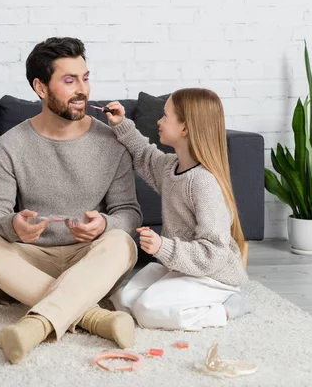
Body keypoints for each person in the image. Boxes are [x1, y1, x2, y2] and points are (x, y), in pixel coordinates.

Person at [0, 37, 142, 363]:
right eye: (69, 80)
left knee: (123, 242)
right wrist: (12, 226)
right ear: (40, 87)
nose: (83, 89)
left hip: (90, 257)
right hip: (33, 256)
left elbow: (129, 212)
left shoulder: (112, 142)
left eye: (85, 77)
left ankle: (35, 326)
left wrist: (105, 223)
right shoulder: (10, 145)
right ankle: (94, 317)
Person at [106, 88, 254, 331]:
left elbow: (214, 252)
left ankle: (228, 307)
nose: (159, 121)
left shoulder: (204, 183)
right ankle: (180, 298)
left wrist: (162, 246)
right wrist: (121, 123)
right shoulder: (171, 167)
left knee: (147, 310)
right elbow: (144, 155)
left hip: (213, 275)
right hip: (182, 267)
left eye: (165, 116)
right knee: (123, 299)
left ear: (184, 128)